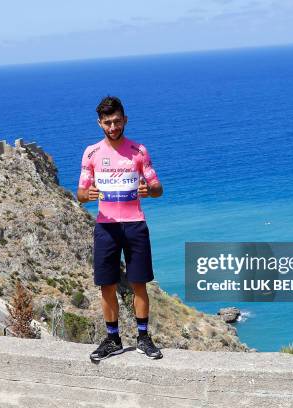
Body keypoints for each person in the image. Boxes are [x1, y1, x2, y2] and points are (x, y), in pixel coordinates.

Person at [77, 96, 164, 360]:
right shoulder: (91, 153)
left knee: (140, 284)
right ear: (100, 124)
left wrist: (149, 190)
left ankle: (143, 338)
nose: (113, 127)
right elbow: (80, 192)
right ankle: (113, 339)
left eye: (117, 121)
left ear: (125, 120)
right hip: (106, 227)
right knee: (107, 285)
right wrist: (86, 194)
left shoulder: (139, 151)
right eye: (107, 123)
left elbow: (159, 189)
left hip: (135, 224)